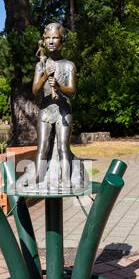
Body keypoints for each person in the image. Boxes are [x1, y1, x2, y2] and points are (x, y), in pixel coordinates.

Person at [32, 22, 77, 188]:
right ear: (43, 41)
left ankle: (65, 179)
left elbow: (72, 91)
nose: (51, 41)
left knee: (63, 147)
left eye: (55, 38)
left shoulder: (69, 65)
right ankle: (38, 178)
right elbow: (35, 90)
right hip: (45, 110)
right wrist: (44, 76)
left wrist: (59, 87)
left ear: (62, 41)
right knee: (42, 146)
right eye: (48, 38)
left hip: (63, 111)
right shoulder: (41, 66)